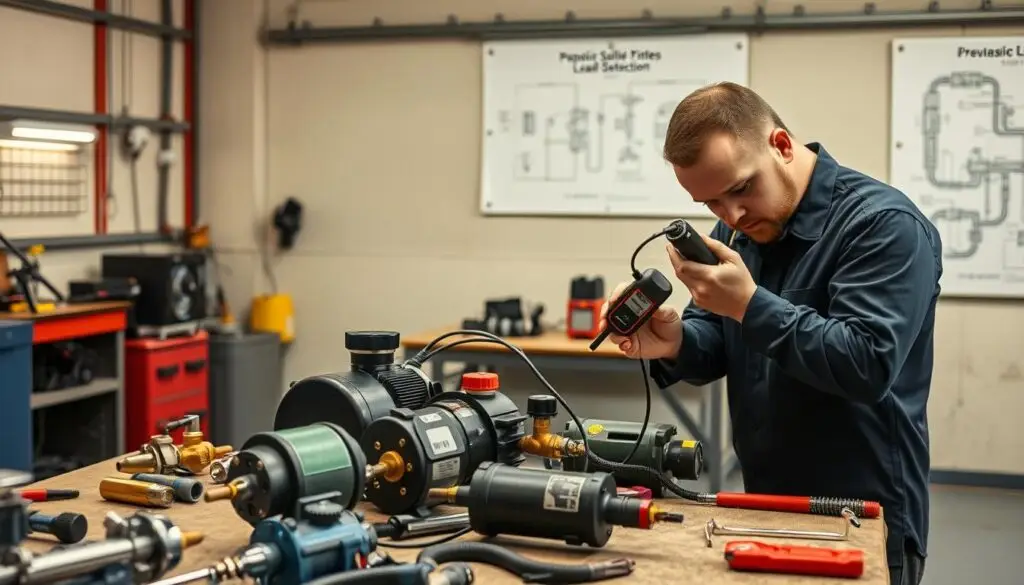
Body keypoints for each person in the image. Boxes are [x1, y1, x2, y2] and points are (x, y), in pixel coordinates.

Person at [600, 82, 939, 585]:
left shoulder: (883, 226)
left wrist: (750, 304)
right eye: (711, 203)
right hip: (764, 502)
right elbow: (718, 334)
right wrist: (676, 341)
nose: (731, 216)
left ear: (781, 145)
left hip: (863, 514)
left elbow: (866, 364)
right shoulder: (740, 229)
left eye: (739, 189)